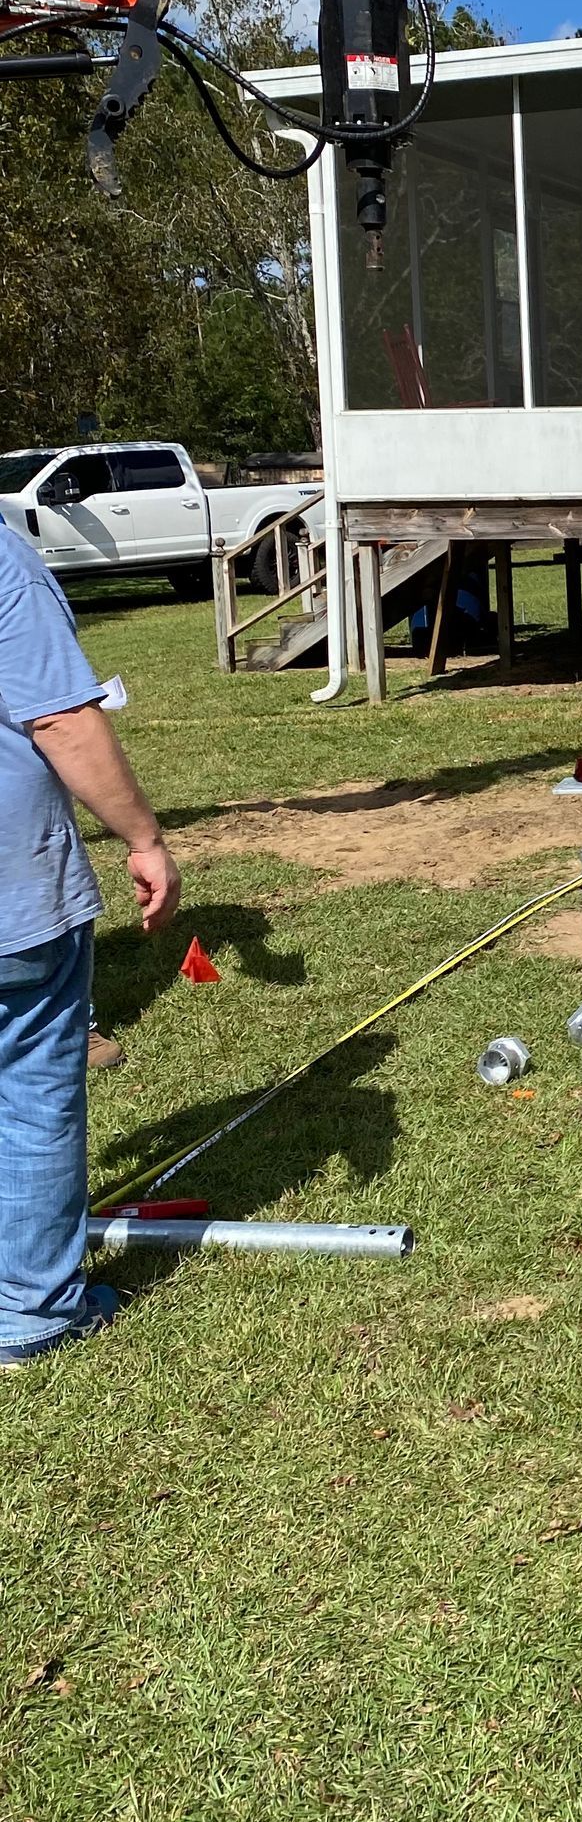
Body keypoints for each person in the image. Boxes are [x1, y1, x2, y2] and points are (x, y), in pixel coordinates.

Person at [0, 526, 179, 1365]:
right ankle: (31, 1311)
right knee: (34, 1087)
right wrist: (143, 837)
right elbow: (64, 718)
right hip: (13, 899)